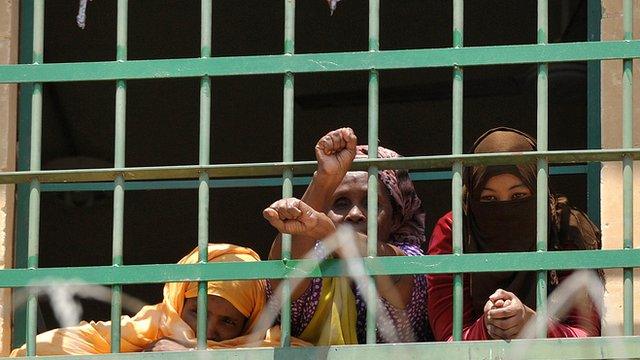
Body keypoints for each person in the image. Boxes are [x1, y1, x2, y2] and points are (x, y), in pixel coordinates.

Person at [427, 127, 603, 341]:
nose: (504, 211)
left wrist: (533, 324)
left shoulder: (564, 226)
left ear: (538, 191)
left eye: (518, 195)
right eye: (489, 199)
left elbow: (586, 335)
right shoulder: (454, 230)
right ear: (472, 196)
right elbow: (449, 338)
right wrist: (489, 325)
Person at [263, 127, 430, 344]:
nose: (354, 214)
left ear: (396, 217)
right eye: (341, 203)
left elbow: (391, 269)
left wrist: (329, 232)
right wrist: (324, 179)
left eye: (370, 203)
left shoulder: (411, 258)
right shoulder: (315, 257)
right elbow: (283, 281)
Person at [11, 243, 303, 356]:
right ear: (179, 302)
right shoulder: (147, 329)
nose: (208, 329)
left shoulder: (271, 348)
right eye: (197, 311)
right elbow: (42, 352)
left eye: (228, 321)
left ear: (248, 323)